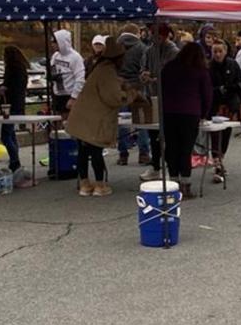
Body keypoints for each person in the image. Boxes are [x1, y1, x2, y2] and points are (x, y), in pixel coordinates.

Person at [66, 39, 127, 197]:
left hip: (81, 116)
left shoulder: (99, 68)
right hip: (93, 119)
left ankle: (84, 184)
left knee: (83, 151)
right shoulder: (108, 71)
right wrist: (130, 93)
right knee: (95, 151)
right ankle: (100, 185)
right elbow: (113, 98)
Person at [161, 42, 213, 199]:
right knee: (186, 148)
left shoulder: (169, 67)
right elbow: (207, 94)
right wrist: (204, 113)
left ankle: (172, 181)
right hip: (190, 112)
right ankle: (185, 184)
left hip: (169, 111)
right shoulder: (200, 71)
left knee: (171, 147)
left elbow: (161, 87)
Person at [137, 24, 179, 182]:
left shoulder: (173, 52)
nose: (155, 38)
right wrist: (144, 75)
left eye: (158, 36)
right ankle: (156, 166)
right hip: (152, 95)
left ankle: (169, 167)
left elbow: (173, 76)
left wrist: (154, 78)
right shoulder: (149, 50)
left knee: (167, 135)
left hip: (169, 97)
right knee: (153, 132)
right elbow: (143, 68)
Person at [115, 24, 150, 166]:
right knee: (141, 122)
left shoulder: (115, 49)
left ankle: (123, 154)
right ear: (137, 33)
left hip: (120, 89)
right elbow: (144, 68)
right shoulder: (142, 48)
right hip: (138, 89)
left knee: (121, 123)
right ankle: (144, 153)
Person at [209, 41, 241, 184]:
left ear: (225, 51)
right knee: (215, 133)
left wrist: (232, 88)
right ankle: (216, 162)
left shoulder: (233, 64)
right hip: (214, 104)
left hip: (229, 103)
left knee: (226, 132)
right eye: (215, 52)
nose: (217, 54)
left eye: (219, 51)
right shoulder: (208, 67)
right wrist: (218, 90)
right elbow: (206, 86)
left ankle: (221, 158)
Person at [0, 46, 29, 174]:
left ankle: (15, 160)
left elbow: (8, 86)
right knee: (11, 134)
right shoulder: (22, 69)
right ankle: (14, 160)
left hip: (9, 105)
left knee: (5, 135)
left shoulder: (11, 68)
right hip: (19, 104)